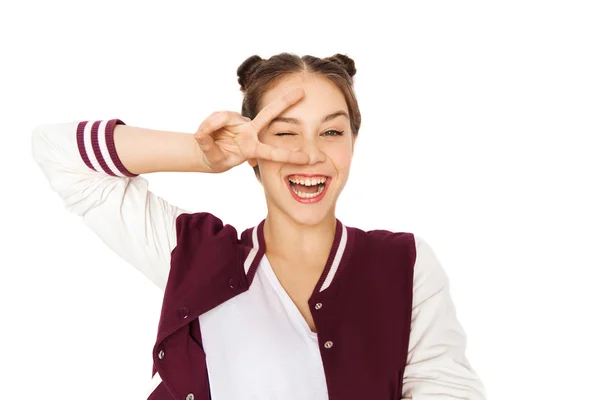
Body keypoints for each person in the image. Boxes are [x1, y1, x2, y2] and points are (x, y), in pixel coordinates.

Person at [31, 52, 486, 400]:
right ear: (251, 148)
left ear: (353, 142)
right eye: (284, 133)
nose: (310, 154)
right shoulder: (192, 255)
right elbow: (56, 152)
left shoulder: (404, 263)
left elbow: (444, 387)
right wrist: (201, 156)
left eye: (332, 131)